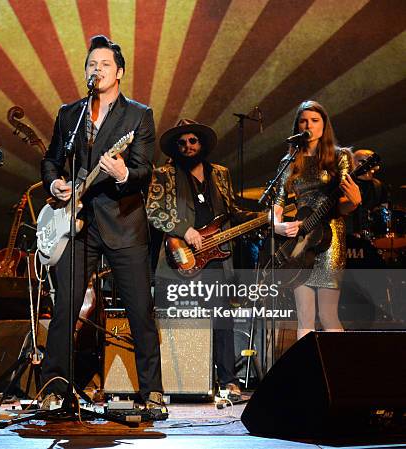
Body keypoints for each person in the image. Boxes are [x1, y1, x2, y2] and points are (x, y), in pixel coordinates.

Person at [40, 35, 164, 410]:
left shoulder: (138, 115)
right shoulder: (70, 114)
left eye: (105, 64)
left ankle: (151, 392)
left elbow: (145, 170)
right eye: (92, 64)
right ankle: (54, 388)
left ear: (120, 72)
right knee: (66, 305)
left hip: (124, 221)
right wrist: (56, 182)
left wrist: (125, 173)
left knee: (139, 308)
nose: (98, 69)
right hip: (78, 224)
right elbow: (50, 160)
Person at [147, 119, 262, 400]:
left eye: (193, 141)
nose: (188, 146)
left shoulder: (219, 174)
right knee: (179, 320)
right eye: (182, 142)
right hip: (179, 258)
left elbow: (232, 209)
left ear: (202, 143)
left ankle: (228, 381)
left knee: (222, 321)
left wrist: (263, 218)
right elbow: (153, 210)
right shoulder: (165, 174)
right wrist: (183, 229)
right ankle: (175, 381)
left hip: (216, 258)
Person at [272, 100, 361, 340]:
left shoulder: (339, 157)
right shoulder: (288, 162)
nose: (308, 125)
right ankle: (308, 372)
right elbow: (277, 203)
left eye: (314, 120)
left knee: (328, 314)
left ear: (324, 125)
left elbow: (344, 203)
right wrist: (277, 225)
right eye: (303, 121)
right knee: (305, 314)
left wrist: (353, 202)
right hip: (301, 241)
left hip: (330, 236)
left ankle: (337, 373)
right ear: (297, 126)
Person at [345, 149, 388, 238]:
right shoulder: (344, 183)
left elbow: (384, 212)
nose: (368, 165)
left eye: (371, 162)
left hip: (371, 239)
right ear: (351, 163)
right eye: (362, 161)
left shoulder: (379, 186)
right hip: (347, 238)